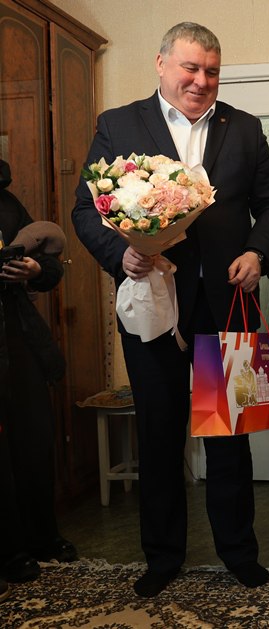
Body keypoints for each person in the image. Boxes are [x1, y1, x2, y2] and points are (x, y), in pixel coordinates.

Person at [71, 23, 269, 597]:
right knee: (160, 432)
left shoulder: (244, 128)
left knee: (230, 435)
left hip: (226, 304)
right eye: (190, 68)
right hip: (152, 304)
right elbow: (86, 209)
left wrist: (257, 252)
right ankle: (162, 556)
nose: (201, 80)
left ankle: (239, 552)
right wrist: (120, 254)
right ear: (162, 64)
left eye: (211, 71)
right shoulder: (118, 124)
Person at [0, 160, 77, 584]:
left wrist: (33, 270)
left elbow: (49, 265)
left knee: (33, 438)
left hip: (17, 335)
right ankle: (10, 552)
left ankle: (42, 537)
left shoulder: (7, 202)